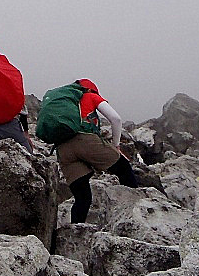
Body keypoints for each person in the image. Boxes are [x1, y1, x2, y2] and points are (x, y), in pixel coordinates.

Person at [52, 78, 138, 223]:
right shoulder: (90, 96)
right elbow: (115, 119)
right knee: (124, 169)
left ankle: (75, 231)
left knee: (82, 197)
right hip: (86, 141)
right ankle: (134, 213)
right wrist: (116, 146)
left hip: (63, 148)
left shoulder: (67, 102)